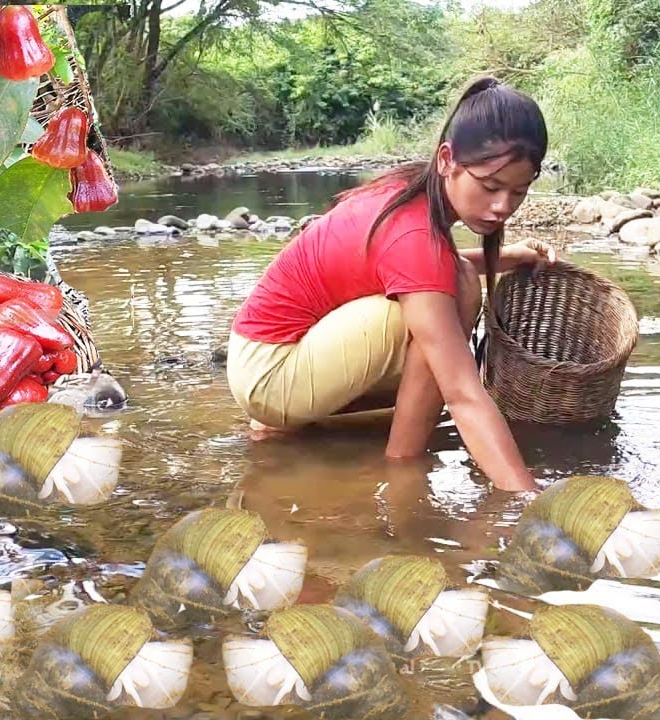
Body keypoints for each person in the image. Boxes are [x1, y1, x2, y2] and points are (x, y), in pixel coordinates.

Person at [226, 76, 553, 492]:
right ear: (446, 160)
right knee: (459, 294)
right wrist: (526, 498)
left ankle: (310, 423)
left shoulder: (411, 190)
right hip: (270, 374)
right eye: (490, 186)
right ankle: (401, 467)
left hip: (270, 356)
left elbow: (413, 274)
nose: (502, 207)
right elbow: (462, 394)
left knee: (454, 283)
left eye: (518, 192)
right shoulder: (413, 234)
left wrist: (509, 257)